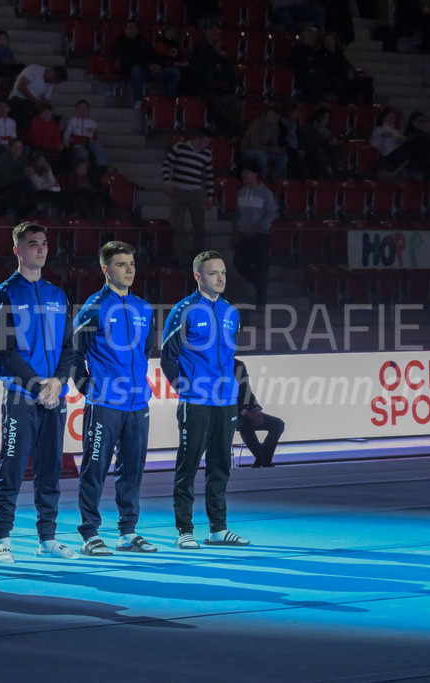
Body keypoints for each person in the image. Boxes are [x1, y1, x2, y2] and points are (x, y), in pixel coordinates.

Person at [0, 222, 79, 562]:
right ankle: (3, 539)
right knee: (11, 468)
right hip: (21, 397)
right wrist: (39, 385)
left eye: (43, 243)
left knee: (50, 469)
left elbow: (69, 348)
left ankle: (48, 538)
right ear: (17, 250)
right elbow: (5, 350)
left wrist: (58, 382)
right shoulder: (5, 293)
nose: (40, 249)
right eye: (32, 244)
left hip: (54, 396)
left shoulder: (58, 295)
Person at [161, 249, 249, 549]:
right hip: (196, 402)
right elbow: (168, 358)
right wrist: (185, 389)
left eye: (223, 272)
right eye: (213, 273)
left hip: (226, 402)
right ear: (198, 276)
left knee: (221, 465)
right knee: (188, 466)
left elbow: (230, 357)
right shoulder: (183, 310)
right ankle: (184, 530)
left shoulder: (231, 313)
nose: (221, 277)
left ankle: (218, 529)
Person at [73, 241, 157, 556]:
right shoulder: (93, 307)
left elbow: (145, 350)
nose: (130, 269)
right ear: (106, 269)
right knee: (95, 468)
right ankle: (90, 534)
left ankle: (128, 532)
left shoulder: (144, 308)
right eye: (122, 264)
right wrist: (89, 389)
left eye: (132, 263)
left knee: (132, 468)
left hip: (137, 403)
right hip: (105, 403)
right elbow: (75, 354)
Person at [161, 127, 215, 265]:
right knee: (178, 226)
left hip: (196, 192)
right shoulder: (180, 147)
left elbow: (209, 176)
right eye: (204, 142)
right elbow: (167, 164)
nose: (206, 145)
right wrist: (167, 181)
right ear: (196, 139)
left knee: (199, 226)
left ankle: (198, 256)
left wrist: (210, 196)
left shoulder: (207, 154)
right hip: (178, 190)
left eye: (208, 143)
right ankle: (177, 256)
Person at [232, 160, 277, 311]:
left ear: (255, 174)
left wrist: (258, 226)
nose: (243, 175)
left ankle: (261, 302)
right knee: (239, 262)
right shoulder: (241, 192)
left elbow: (272, 212)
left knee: (260, 267)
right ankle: (259, 282)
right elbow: (238, 214)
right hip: (245, 235)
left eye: (246, 172)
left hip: (260, 235)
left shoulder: (266, 193)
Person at [233, 359, 284, 468]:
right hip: (227, 413)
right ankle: (263, 461)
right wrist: (245, 412)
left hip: (244, 410)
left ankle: (261, 461)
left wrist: (256, 409)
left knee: (278, 424)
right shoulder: (215, 365)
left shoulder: (238, 365)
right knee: (244, 424)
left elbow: (246, 390)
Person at [116, 20, 179, 107]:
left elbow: (154, 55)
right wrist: (148, 65)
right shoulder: (122, 43)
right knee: (136, 69)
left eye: (134, 28)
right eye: (129, 28)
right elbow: (127, 61)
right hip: (135, 70)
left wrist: (159, 65)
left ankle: (169, 100)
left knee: (175, 73)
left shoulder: (143, 42)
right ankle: (138, 101)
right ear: (125, 30)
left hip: (150, 69)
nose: (132, 30)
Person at [8, 63, 67, 131]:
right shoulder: (34, 69)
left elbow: (45, 100)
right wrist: (34, 100)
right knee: (28, 109)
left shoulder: (51, 84)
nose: (55, 83)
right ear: (52, 72)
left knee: (51, 116)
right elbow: (21, 86)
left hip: (33, 102)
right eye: (55, 79)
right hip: (18, 97)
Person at [0, 137, 36, 216]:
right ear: (10, 148)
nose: (17, 150)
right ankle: (20, 211)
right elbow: (7, 179)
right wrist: (24, 174)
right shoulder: (4, 158)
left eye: (20, 148)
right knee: (21, 186)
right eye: (15, 148)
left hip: (13, 183)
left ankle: (31, 208)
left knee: (27, 184)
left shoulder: (22, 159)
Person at [241, 108, 288, 181]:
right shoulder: (256, 124)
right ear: (268, 116)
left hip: (264, 151)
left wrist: (278, 150)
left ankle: (273, 179)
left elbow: (274, 143)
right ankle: (262, 179)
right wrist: (270, 149)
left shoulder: (276, 127)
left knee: (283, 157)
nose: (276, 121)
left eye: (277, 119)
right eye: (274, 118)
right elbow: (253, 145)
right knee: (262, 155)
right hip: (248, 150)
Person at [63, 100, 107, 176]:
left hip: (88, 142)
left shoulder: (93, 123)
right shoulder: (72, 121)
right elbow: (67, 134)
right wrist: (66, 145)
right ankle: (85, 171)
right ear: (76, 110)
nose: (83, 110)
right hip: (77, 144)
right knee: (83, 152)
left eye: (85, 108)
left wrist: (96, 134)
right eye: (80, 108)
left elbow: (94, 138)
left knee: (96, 145)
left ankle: (102, 167)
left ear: (89, 111)